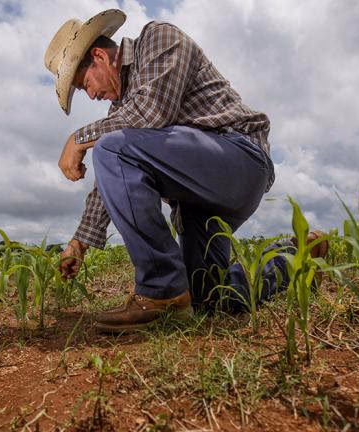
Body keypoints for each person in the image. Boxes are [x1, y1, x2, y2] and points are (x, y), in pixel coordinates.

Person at [43, 9, 327, 333]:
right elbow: (114, 176)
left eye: (84, 84)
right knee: (207, 296)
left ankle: (160, 290)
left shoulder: (158, 38)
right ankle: (296, 259)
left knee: (109, 146)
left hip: (239, 159)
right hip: (198, 201)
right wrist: (79, 243)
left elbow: (151, 112)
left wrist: (78, 139)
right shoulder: (119, 113)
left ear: (99, 56)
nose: (91, 94)